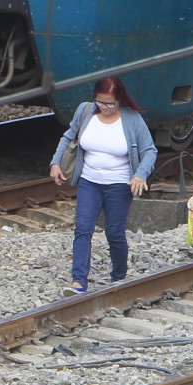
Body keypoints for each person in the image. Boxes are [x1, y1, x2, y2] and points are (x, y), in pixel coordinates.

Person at [48, 75, 156, 293]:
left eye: (110, 103)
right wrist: (55, 162)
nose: (104, 107)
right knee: (83, 229)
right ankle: (78, 280)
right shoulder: (85, 111)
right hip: (89, 182)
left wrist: (140, 174)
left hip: (119, 185)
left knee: (114, 233)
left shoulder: (132, 119)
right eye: (100, 102)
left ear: (120, 100)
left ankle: (119, 275)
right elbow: (68, 137)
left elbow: (149, 151)